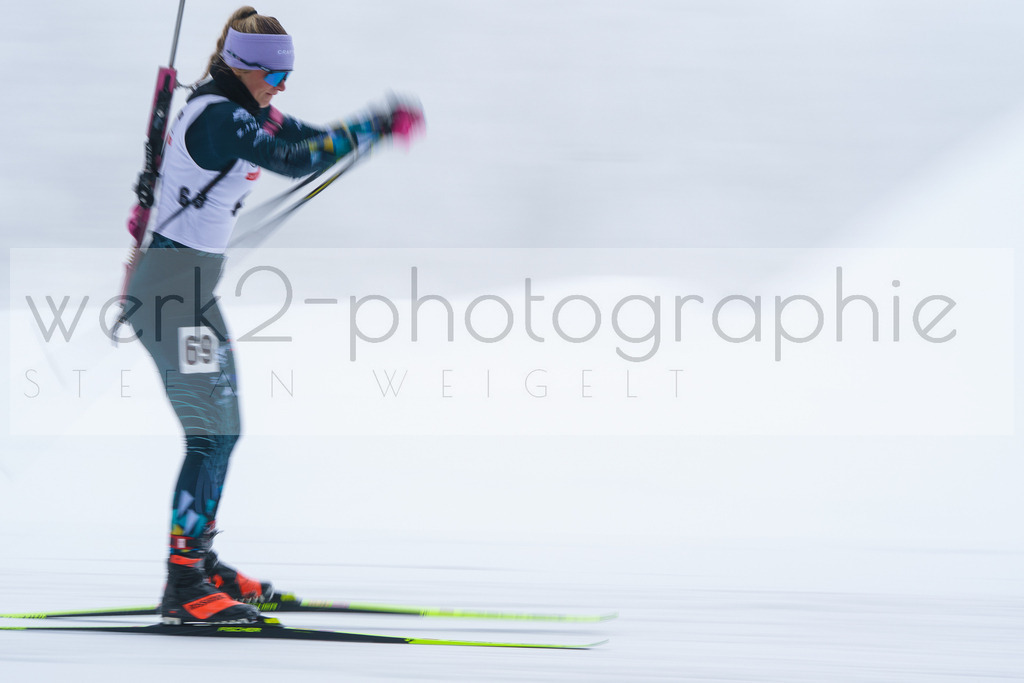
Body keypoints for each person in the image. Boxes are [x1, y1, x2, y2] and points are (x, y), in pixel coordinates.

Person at [125, 6, 423, 625]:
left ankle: (198, 564)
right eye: (273, 76)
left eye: (286, 76)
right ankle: (185, 585)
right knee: (212, 431)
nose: (281, 87)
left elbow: (299, 137)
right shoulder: (220, 117)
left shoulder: (248, 109)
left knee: (222, 428)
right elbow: (297, 158)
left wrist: (372, 125)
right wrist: (372, 129)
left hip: (187, 294)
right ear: (241, 64)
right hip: (169, 297)